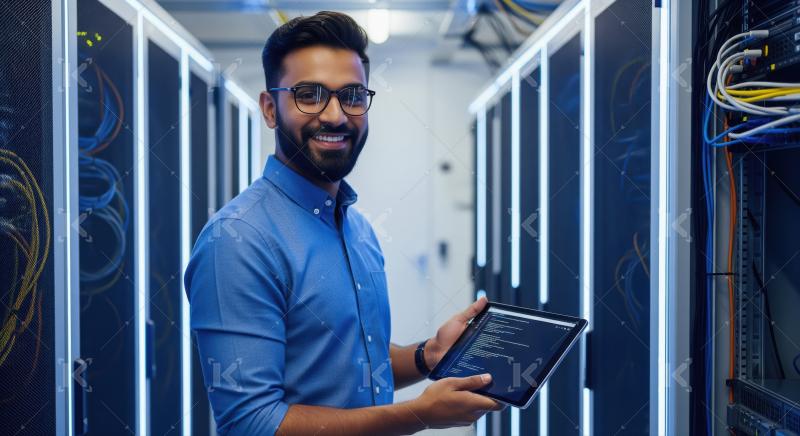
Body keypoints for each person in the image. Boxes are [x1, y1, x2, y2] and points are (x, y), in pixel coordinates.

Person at [184, 11, 502, 435]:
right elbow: (252, 423)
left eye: (352, 95)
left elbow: (355, 362)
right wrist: (418, 415)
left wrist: (428, 355)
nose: (335, 115)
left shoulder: (358, 229)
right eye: (310, 95)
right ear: (270, 109)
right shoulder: (237, 240)